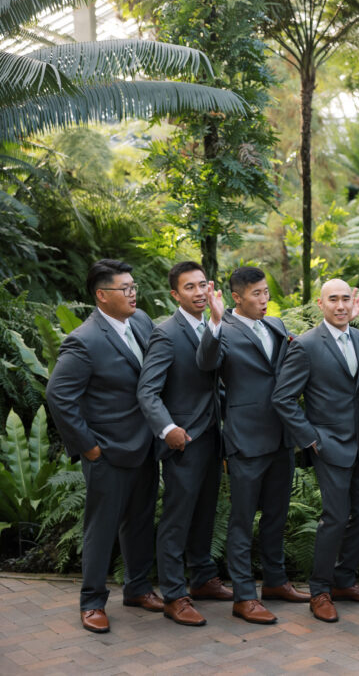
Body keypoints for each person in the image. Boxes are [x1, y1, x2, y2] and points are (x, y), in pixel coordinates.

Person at [46, 259, 162, 633]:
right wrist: (89, 447)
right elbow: (59, 397)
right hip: (108, 452)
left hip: (146, 446)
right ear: (101, 295)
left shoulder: (142, 321)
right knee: (102, 527)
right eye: (124, 289)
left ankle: (138, 588)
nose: (132, 294)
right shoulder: (84, 339)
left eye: (133, 286)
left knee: (141, 521)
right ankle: (92, 602)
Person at [196, 266, 309, 625]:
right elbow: (206, 362)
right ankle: (244, 596)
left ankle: (275, 582)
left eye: (266, 292)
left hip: (281, 436)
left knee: (276, 516)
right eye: (257, 294)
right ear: (237, 297)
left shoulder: (277, 326)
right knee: (243, 521)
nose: (265, 299)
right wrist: (213, 323)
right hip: (245, 439)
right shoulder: (222, 331)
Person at [272, 279, 359, 624]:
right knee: (335, 517)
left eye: (345, 299)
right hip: (328, 446)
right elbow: (283, 398)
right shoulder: (305, 345)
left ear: (353, 303)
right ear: (320, 305)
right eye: (332, 299)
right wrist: (311, 439)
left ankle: (345, 580)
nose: (340, 305)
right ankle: (320, 590)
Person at [137, 262, 233, 627]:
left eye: (202, 285)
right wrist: (168, 429)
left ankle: (204, 577)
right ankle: (175, 594)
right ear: (175, 294)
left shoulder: (216, 325)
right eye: (189, 288)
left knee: (206, 512)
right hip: (183, 441)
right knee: (177, 518)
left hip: (212, 437)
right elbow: (147, 391)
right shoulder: (165, 334)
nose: (198, 293)